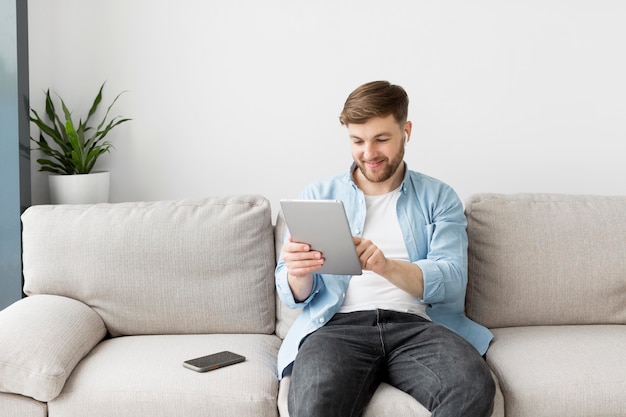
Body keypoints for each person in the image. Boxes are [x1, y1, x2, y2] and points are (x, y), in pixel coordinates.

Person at [275, 80, 495, 417]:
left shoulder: (438, 197)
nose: (369, 153)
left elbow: (451, 279)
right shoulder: (318, 195)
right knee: (315, 403)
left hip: (417, 327)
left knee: (471, 387)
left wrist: (385, 266)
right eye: (357, 141)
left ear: (406, 131)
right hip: (337, 328)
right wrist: (297, 272)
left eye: (381, 139)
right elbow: (294, 295)